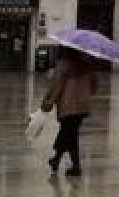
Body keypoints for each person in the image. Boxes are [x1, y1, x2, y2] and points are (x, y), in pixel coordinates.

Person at [41, 49, 108, 177]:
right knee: (71, 134)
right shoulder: (89, 64)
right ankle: (63, 162)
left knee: (68, 133)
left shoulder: (63, 64)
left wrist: (49, 100)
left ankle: (63, 160)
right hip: (82, 106)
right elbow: (94, 87)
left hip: (67, 106)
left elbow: (57, 85)